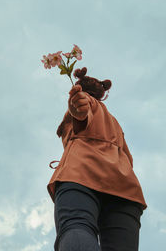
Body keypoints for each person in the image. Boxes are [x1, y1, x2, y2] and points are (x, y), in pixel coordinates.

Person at [47, 67, 147, 251]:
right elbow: (128, 159)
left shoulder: (87, 102)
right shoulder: (115, 123)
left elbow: (82, 114)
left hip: (81, 174)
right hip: (125, 188)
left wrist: (77, 111)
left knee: (77, 226)